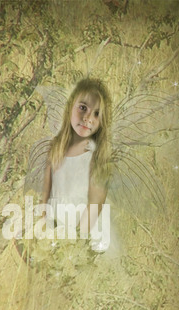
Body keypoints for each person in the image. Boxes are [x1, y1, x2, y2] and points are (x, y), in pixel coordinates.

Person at [41, 78, 113, 251]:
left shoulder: (95, 156)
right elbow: (46, 193)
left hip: (83, 230)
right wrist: (43, 225)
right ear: (70, 108)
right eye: (83, 108)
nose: (88, 117)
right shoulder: (56, 147)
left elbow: (95, 203)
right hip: (55, 227)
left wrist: (75, 243)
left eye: (97, 114)